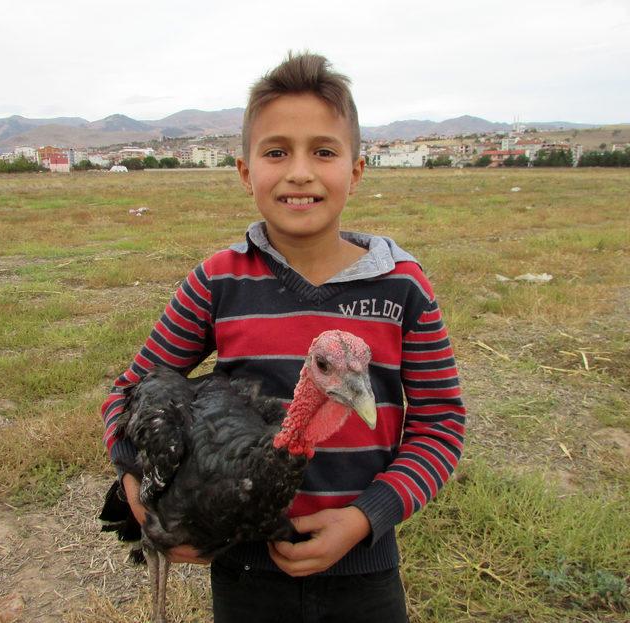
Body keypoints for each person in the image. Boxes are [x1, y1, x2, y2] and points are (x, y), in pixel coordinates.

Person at [101, 51, 465, 622]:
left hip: (363, 565)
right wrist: (138, 486)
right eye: (276, 152)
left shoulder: (404, 287)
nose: (300, 172)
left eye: (323, 151)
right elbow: (130, 392)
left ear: (357, 169)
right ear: (246, 172)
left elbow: (440, 422)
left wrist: (366, 516)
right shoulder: (219, 280)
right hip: (243, 563)